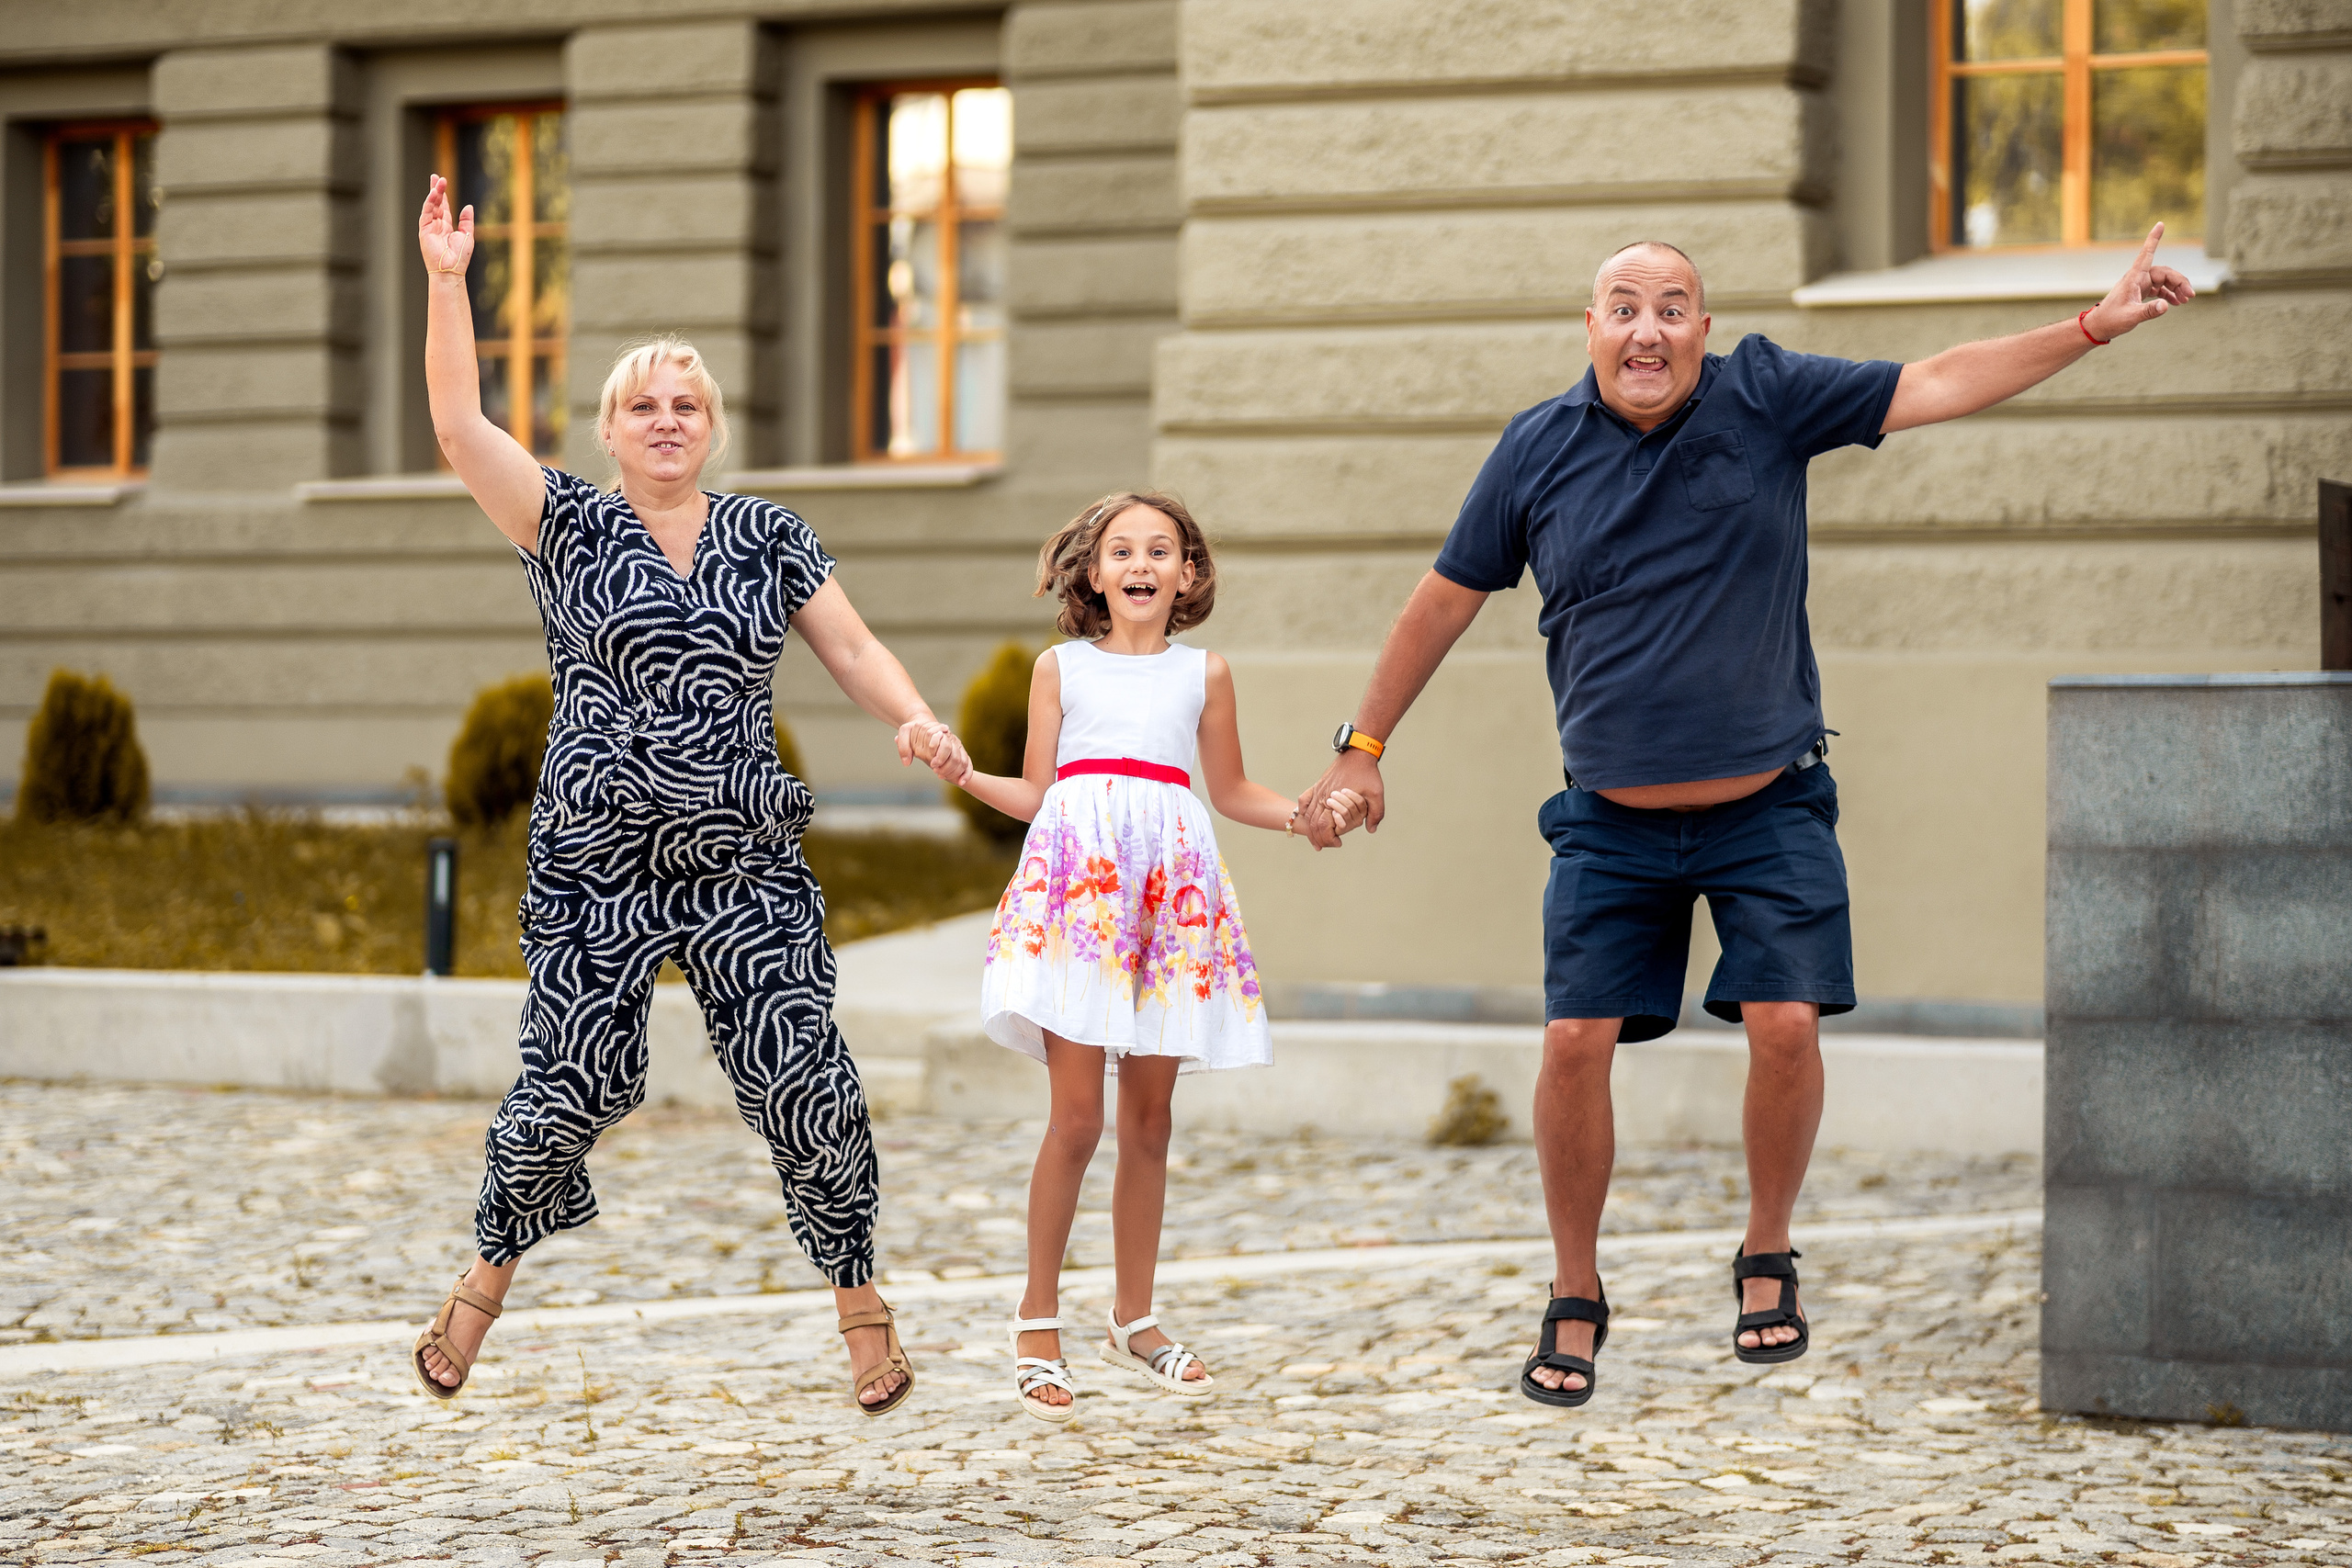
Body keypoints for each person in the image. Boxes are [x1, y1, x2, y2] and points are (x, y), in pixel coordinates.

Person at [1297, 226, 2193, 1407]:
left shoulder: (1765, 395)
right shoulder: (1536, 449)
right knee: (1573, 1043)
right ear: (1590, 328)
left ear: (1702, 331)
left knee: (1784, 1024)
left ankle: (1766, 1248)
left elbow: (1937, 380)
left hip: (1767, 802)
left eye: (1673, 307)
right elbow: (1444, 600)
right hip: (1609, 820)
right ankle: (1577, 1289)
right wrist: (1362, 750)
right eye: (1623, 306)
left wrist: (2089, 325)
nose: (1647, 329)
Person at [407, 174, 970, 1416]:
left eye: (687, 404)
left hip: (742, 862)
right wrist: (450, 282)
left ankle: (859, 1299)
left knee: (804, 1075)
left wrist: (917, 716)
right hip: (596, 863)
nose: (666, 419)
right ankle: (485, 1271)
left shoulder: (769, 534)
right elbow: (456, 426)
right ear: (608, 431)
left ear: (711, 426)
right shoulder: (563, 522)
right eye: (643, 405)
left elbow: (856, 649)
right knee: (570, 1080)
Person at [945, 491, 1365, 1422]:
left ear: (1188, 573)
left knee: (1149, 1123)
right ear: (1092, 573)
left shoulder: (1203, 674)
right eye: (1122, 550)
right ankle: (1036, 1320)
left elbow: (1229, 788)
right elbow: (1038, 791)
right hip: (1081, 901)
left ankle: (1134, 1317)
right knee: (1076, 1122)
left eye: (1161, 550)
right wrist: (965, 774)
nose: (1141, 563)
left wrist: (1303, 816)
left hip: (1170, 902)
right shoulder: (1059, 668)